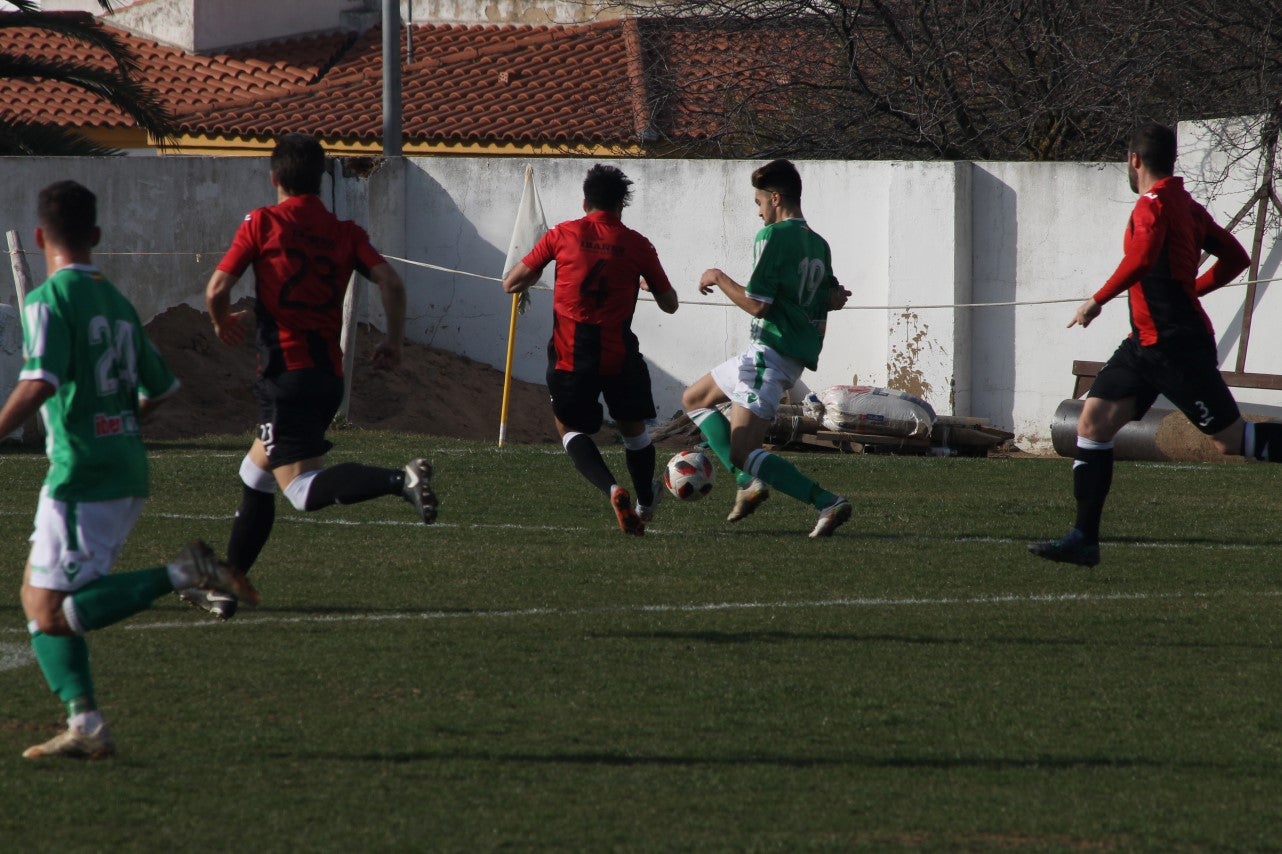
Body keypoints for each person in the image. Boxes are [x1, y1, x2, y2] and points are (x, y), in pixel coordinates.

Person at [5, 180, 256, 760]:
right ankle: (86, 722)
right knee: (38, 601)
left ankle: (185, 574)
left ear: (40, 236)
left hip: (82, 472)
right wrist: (119, 418)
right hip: (122, 464)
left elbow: (40, 380)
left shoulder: (47, 300)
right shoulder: (117, 304)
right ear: (95, 236)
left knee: (52, 610)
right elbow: (162, 387)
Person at [193, 133, 436, 618]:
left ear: (275, 177)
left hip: (286, 375)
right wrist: (393, 340)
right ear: (322, 179)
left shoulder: (262, 222)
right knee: (253, 474)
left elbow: (218, 286)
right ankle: (225, 586)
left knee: (301, 492)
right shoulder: (345, 231)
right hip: (328, 376)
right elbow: (390, 280)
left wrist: (221, 321)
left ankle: (398, 480)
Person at [1027, 122, 1282, 567]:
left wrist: (1096, 300)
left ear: (1134, 160)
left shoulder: (1152, 205)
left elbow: (1142, 258)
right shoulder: (1185, 203)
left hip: (1173, 345)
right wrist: (1192, 289)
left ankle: (1084, 537)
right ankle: (1084, 539)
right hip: (1144, 344)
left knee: (1229, 440)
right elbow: (1237, 257)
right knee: (1092, 423)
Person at [502, 164, 679, 536]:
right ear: (621, 205)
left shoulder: (562, 235)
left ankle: (613, 488)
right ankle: (645, 500)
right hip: (618, 351)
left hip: (571, 353)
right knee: (635, 431)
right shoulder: (638, 244)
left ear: (585, 201)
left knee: (568, 428)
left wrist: (542, 268)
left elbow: (511, 283)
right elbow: (670, 305)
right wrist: (645, 283)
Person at [681, 159, 853, 538]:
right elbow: (825, 297)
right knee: (694, 398)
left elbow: (758, 303)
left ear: (775, 198)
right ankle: (747, 483)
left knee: (744, 450)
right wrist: (833, 299)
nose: (758, 212)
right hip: (787, 353)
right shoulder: (819, 244)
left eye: (759, 202)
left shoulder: (772, 237)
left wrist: (717, 276)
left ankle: (825, 500)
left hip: (768, 352)